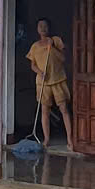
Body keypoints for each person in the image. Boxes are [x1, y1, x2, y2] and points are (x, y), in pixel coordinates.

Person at [26, 17, 74, 146]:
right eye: (40, 26)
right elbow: (33, 65)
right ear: (37, 29)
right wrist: (39, 72)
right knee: (45, 110)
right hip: (43, 82)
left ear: (49, 28)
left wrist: (51, 47)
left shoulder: (56, 41)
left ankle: (70, 139)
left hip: (58, 79)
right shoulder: (35, 46)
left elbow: (63, 58)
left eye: (45, 26)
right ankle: (46, 139)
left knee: (63, 108)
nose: (43, 28)